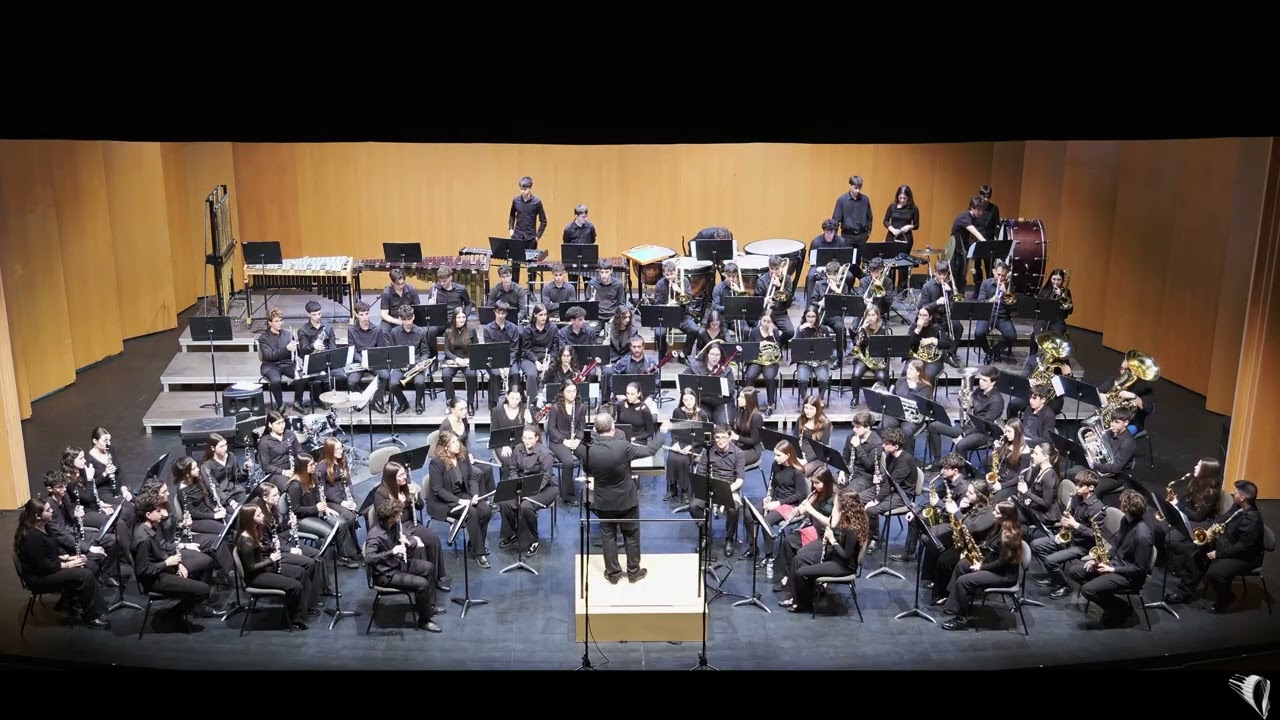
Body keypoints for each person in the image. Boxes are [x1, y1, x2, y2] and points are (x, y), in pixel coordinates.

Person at [575, 412, 665, 583]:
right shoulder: (623, 446)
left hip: (603, 501)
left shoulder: (585, 449)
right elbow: (651, 450)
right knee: (631, 535)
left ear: (595, 429)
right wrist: (662, 432)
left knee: (608, 536)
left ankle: (613, 574)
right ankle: (633, 572)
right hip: (626, 500)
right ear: (613, 428)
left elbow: (586, 468)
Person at [14, 497, 110, 629]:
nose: (52, 511)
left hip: (51, 566)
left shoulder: (45, 526)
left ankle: (69, 602)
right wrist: (70, 565)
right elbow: (44, 566)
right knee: (85, 574)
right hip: (40, 577)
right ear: (37, 516)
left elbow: (54, 549)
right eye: (48, 510)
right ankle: (92, 616)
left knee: (91, 564)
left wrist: (69, 558)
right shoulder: (31, 537)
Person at [1063, 489, 1154, 627]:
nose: (1120, 503)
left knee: (1087, 589)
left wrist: (1111, 569)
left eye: (1123, 502)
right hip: (1114, 564)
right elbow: (1116, 547)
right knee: (1075, 571)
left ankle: (1121, 609)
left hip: (1129, 576)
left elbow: (1140, 569)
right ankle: (1108, 598)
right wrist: (1097, 559)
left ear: (1128, 508)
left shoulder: (1143, 535)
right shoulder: (1125, 520)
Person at [132, 490, 214, 632]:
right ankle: (171, 616)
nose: (162, 514)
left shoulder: (152, 528)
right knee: (203, 590)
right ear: (148, 515)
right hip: (155, 580)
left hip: (163, 570)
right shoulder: (143, 539)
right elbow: (143, 571)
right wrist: (167, 563)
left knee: (203, 569)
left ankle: (179, 612)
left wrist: (177, 565)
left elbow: (160, 552)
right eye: (158, 511)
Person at [778, 488, 869, 613]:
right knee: (798, 559)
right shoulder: (849, 521)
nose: (834, 508)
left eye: (836, 506)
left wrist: (832, 540)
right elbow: (833, 525)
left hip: (842, 566)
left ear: (844, 508)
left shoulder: (851, 529)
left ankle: (804, 604)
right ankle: (795, 597)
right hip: (836, 557)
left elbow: (846, 556)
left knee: (801, 573)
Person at [940, 501, 1023, 631]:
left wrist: (981, 567)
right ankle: (956, 603)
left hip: (1004, 575)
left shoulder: (1009, 536)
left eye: (996, 512)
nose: (993, 513)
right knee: (962, 565)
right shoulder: (999, 526)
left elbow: (1001, 564)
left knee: (964, 581)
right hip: (993, 565)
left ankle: (961, 618)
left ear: (1005, 516)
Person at [365, 498, 445, 632]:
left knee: (429, 568)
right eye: (398, 514)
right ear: (391, 517)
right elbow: (368, 558)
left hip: (397, 564)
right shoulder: (375, 535)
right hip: (386, 574)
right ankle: (424, 621)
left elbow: (401, 535)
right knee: (422, 584)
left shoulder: (393, 525)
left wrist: (406, 539)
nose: (401, 515)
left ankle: (428, 607)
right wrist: (392, 551)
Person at [234, 503, 309, 630]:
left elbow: (260, 549)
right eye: (258, 515)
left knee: (300, 572)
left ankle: (301, 611)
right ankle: (291, 620)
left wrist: (272, 547)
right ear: (249, 519)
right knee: (295, 586)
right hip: (256, 577)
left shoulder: (255, 530)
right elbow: (250, 568)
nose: (262, 516)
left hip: (264, 569)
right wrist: (271, 559)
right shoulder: (245, 541)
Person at [1032, 470, 1106, 598]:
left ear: (1091, 487)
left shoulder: (1098, 508)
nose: (1076, 487)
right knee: (1035, 544)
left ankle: (1065, 585)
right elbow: (1070, 516)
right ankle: (1055, 576)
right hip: (1070, 538)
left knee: (1050, 560)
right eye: (1076, 484)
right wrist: (1064, 524)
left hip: (1083, 546)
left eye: (1080, 485)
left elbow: (1096, 535)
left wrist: (1075, 525)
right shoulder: (1077, 499)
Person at [1202, 479, 1264, 613]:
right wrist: (1212, 528)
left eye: (1235, 493)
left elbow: (1243, 547)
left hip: (1247, 557)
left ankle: (1225, 599)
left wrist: (1219, 553)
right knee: (1201, 551)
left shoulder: (1251, 519)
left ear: (1242, 497)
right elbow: (1226, 516)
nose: (1233, 494)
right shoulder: (1239, 506)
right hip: (1233, 545)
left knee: (1215, 572)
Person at [496, 424, 558, 555]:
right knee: (504, 502)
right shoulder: (518, 449)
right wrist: (516, 483)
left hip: (544, 488)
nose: (527, 441)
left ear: (536, 438)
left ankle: (533, 540)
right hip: (521, 485)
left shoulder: (545, 454)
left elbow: (546, 477)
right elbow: (513, 469)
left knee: (525, 506)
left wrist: (528, 491)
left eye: (530, 438)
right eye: (524, 438)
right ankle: (512, 533)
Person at [257, 307, 304, 413]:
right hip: (270, 365)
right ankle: (280, 404)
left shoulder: (288, 334)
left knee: (301, 376)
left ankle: (298, 402)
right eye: (276, 321)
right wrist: (286, 349)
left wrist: (297, 348)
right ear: (270, 323)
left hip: (287, 363)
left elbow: (297, 353)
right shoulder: (263, 338)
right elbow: (269, 356)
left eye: (280, 320)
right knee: (275, 380)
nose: (280, 323)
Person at [507, 176, 547, 284]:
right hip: (517, 237)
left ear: (530, 188)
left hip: (530, 238)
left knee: (532, 267)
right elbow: (511, 216)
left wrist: (538, 236)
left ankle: (532, 290)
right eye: (521, 189)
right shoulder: (516, 201)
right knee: (515, 266)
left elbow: (543, 221)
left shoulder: (537, 202)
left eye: (525, 189)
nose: (523, 191)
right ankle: (515, 288)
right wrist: (511, 229)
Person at [832, 175, 872, 247]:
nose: (858, 191)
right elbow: (836, 219)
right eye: (855, 188)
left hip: (862, 235)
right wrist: (834, 236)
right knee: (847, 257)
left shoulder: (865, 199)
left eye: (859, 188)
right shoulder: (842, 200)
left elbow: (869, 216)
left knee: (859, 257)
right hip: (847, 236)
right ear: (850, 186)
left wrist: (869, 231)